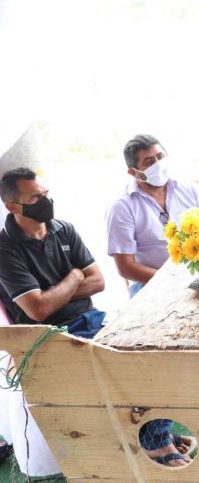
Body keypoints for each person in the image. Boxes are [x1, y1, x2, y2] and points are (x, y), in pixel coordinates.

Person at [0, 167, 107, 478]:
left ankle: (151, 437)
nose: (46, 201)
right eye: (36, 198)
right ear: (13, 207)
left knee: (138, 360)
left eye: (46, 194)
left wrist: (54, 292)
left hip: (90, 320)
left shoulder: (64, 229)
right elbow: (39, 310)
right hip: (44, 337)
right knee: (107, 373)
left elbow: (99, 282)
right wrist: (74, 275)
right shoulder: (4, 249)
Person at [106, 134, 199, 297]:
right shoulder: (122, 207)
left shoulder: (186, 189)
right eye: (149, 162)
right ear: (133, 172)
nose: (158, 165)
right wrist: (172, 282)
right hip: (149, 283)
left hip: (194, 275)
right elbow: (126, 267)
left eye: (160, 157)